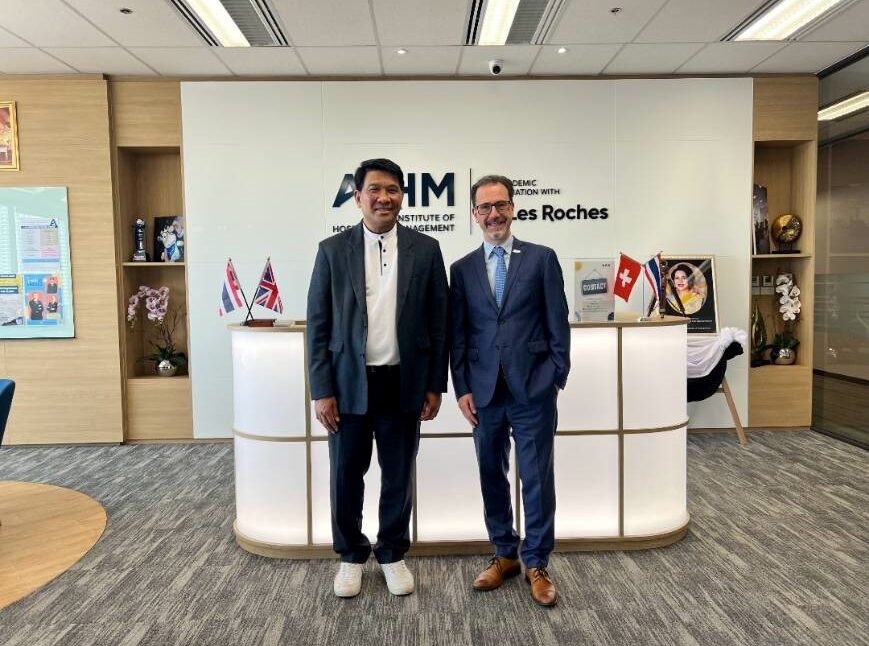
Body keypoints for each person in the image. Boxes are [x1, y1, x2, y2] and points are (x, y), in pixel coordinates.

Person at [307, 158, 449, 599]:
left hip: (404, 383)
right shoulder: (332, 251)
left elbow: (439, 323)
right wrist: (322, 390)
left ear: (402, 196)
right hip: (347, 385)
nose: (383, 198)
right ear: (358, 197)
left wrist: (434, 384)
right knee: (346, 475)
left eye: (392, 190)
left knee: (398, 475)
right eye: (374, 189)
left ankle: (391, 552)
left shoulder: (426, 250)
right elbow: (319, 326)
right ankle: (350, 555)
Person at [450, 175, 570, 607]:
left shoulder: (541, 258)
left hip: (532, 389)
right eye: (484, 207)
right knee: (490, 473)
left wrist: (555, 376)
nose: (494, 214)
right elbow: (458, 334)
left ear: (513, 208)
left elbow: (558, 321)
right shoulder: (461, 269)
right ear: (474, 214)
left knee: (536, 477)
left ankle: (536, 561)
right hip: (483, 393)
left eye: (500, 205)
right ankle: (504, 554)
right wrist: (462, 387)